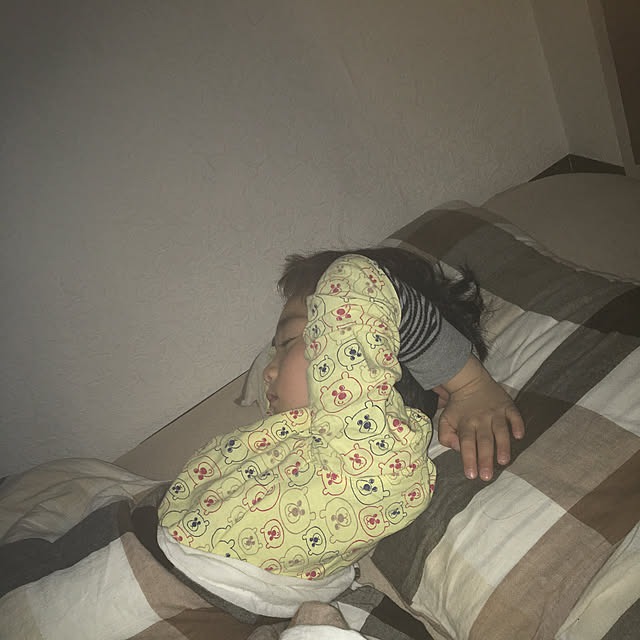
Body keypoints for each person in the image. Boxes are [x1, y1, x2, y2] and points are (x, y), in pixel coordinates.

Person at [156, 248, 524, 620]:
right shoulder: (286, 447)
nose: (267, 370)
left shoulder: (372, 454)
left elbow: (355, 281)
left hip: (188, 591)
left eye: (289, 343)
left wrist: (468, 382)